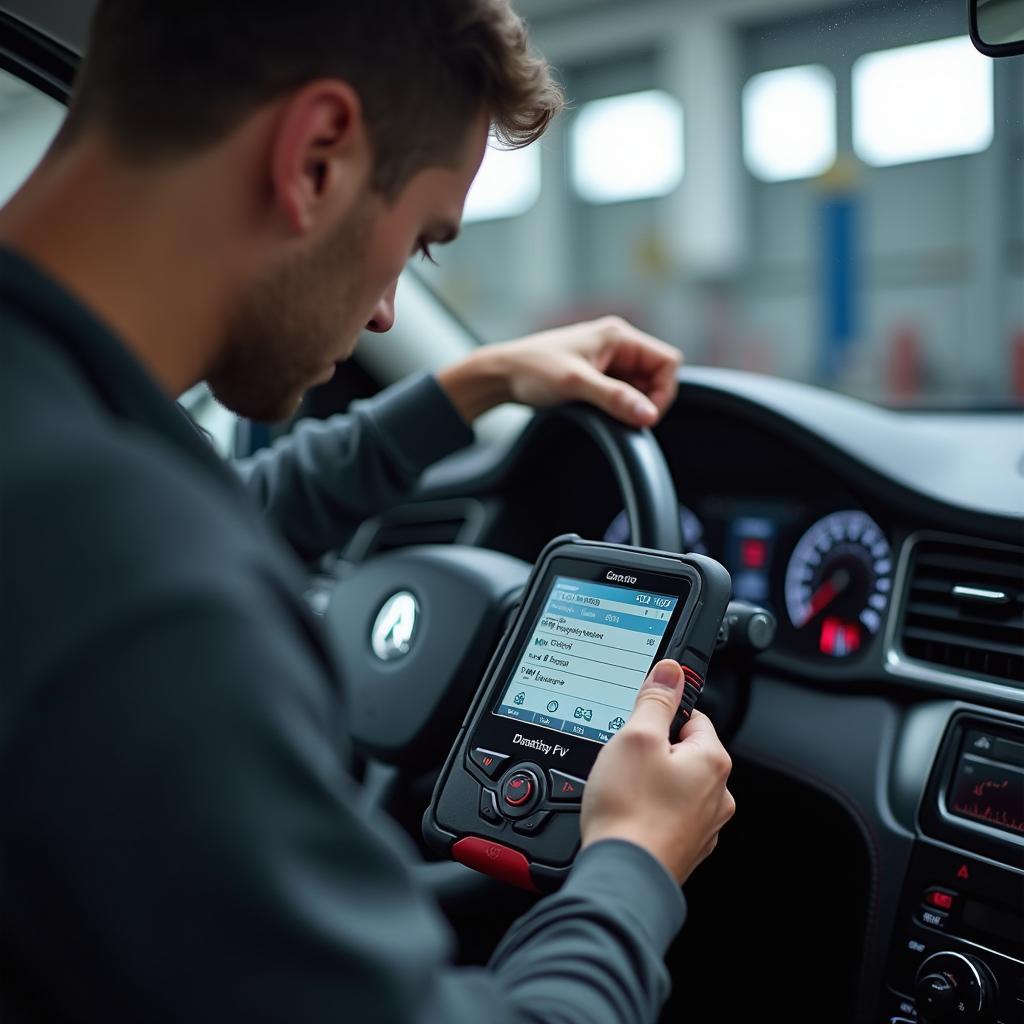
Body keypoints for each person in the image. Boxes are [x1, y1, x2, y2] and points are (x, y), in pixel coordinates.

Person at [0, 2, 736, 1021]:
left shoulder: (60, 450)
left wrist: (473, 383)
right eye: (419, 240)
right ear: (315, 158)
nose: (389, 309)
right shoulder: (152, 607)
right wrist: (630, 864)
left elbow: (229, 505)